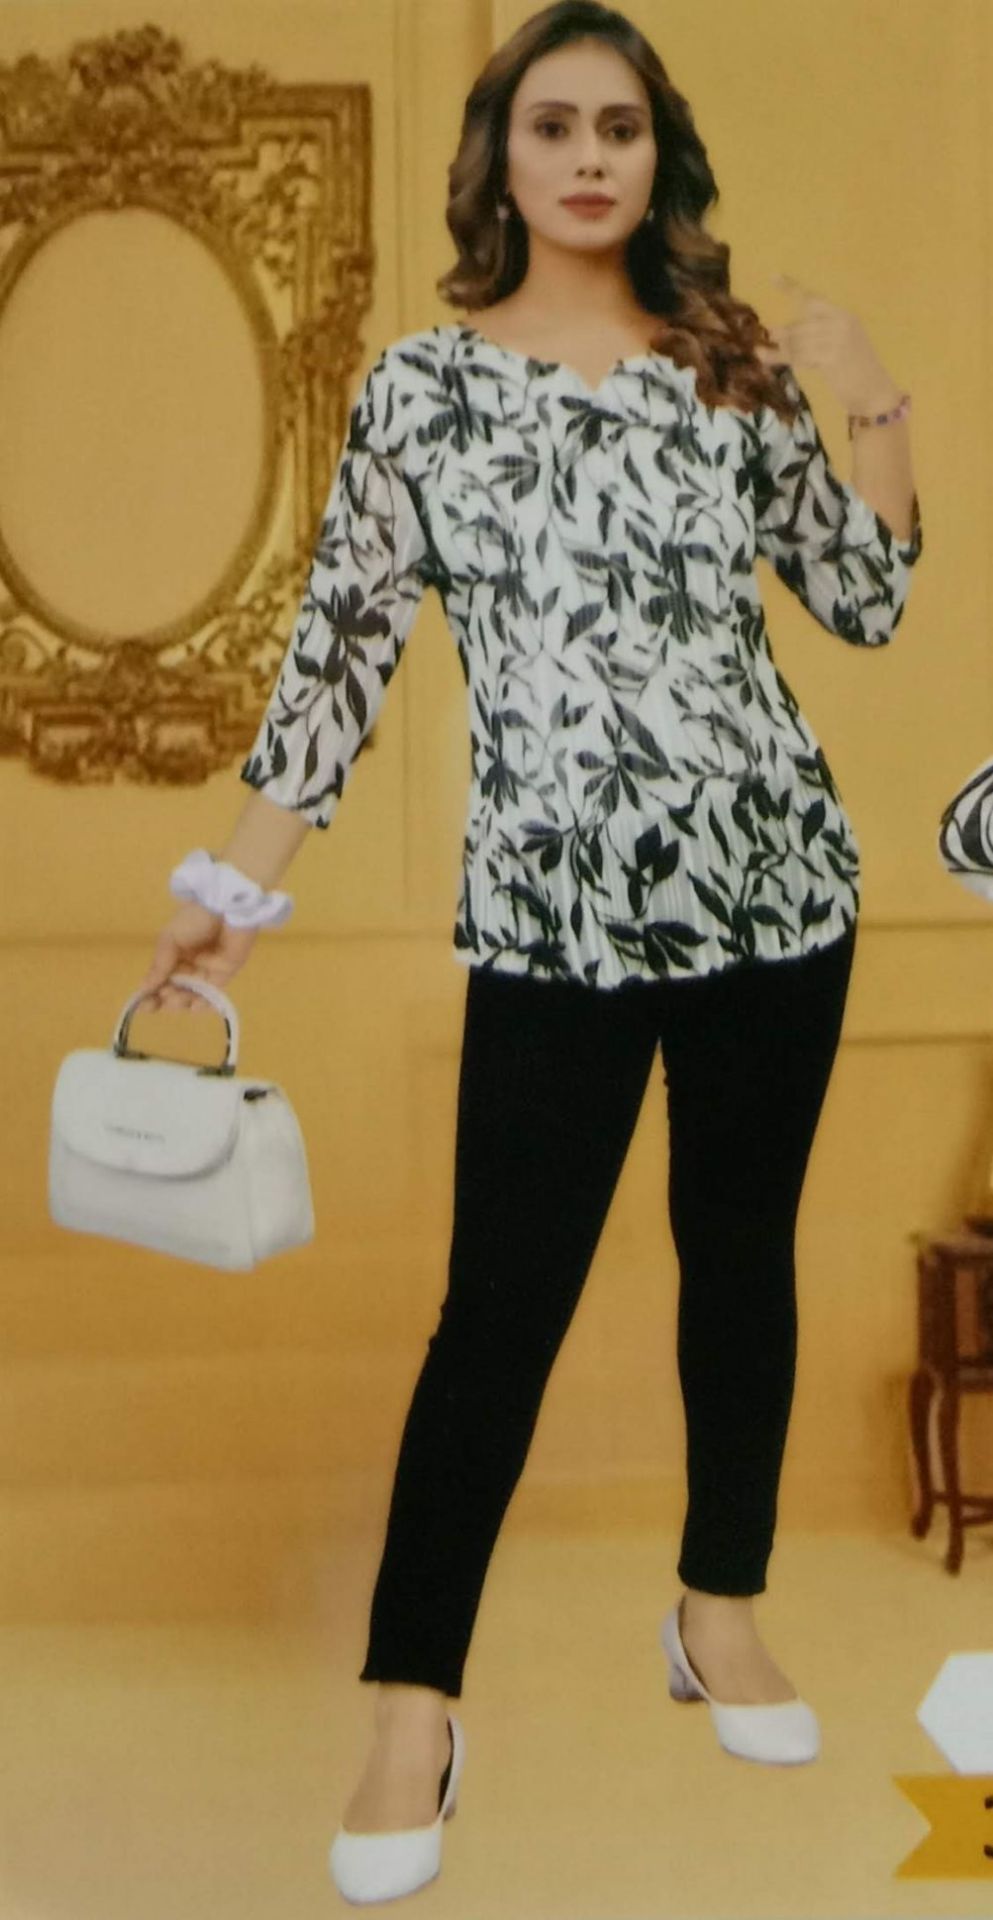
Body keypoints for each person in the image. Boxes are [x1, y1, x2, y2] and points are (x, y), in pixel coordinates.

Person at [140, 3, 923, 1903]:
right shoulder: (421, 391)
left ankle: (716, 1609)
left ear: (660, 159)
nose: (589, 157)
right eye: (554, 125)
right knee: (496, 1315)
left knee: (737, 1263)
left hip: (776, 897)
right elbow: (337, 657)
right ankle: (411, 1709)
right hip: (554, 927)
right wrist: (232, 894)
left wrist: (870, 398)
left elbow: (864, 600)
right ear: (500, 155)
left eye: (621, 129)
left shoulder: (728, 365)